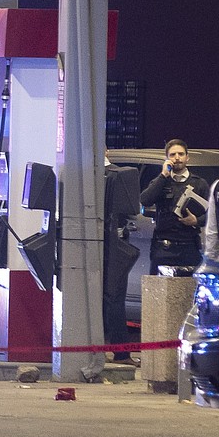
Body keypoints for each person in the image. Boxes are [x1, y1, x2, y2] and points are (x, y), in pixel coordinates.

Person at [139, 139, 210, 275]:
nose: (177, 158)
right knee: (158, 292)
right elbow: (145, 200)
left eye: (181, 154)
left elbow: (212, 215)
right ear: (167, 159)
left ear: (187, 157)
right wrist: (163, 175)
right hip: (163, 248)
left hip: (189, 247)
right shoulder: (161, 181)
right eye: (172, 155)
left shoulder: (200, 184)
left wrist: (196, 221)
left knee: (188, 292)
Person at [103, 151, 141, 367]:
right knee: (115, 299)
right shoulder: (120, 175)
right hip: (114, 247)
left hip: (90, 246)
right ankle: (121, 354)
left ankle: (100, 351)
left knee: (100, 300)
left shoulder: (79, 174)